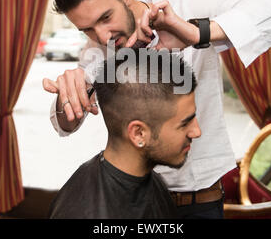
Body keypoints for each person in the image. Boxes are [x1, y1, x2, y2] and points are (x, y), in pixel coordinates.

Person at [42, 0, 271, 219]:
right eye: (87, 29)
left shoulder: (188, 8)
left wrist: (197, 32)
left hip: (199, 201)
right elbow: (64, 125)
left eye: (105, 18)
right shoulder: (96, 51)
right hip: (133, 203)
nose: (101, 36)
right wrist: (68, 96)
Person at [48, 49, 201, 219]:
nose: (197, 132)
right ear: (138, 133)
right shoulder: (82, 212)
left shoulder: (153, 182)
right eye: (185, 123)